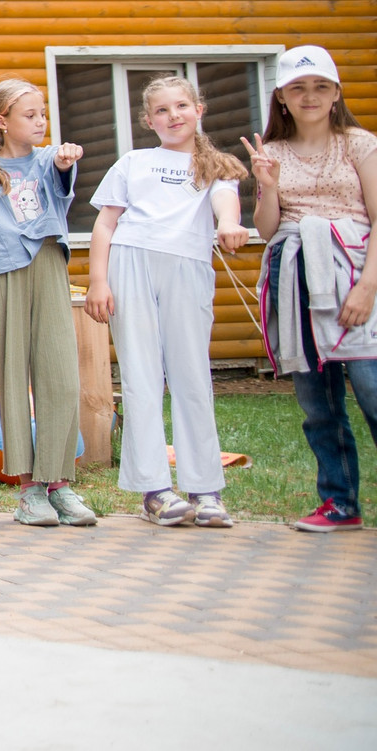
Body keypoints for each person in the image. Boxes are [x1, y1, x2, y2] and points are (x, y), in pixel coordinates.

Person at [86, 76, 249, 528]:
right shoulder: (134, 162)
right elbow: (105, 225)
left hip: (188, 268)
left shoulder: (217, 166)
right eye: (162, 110)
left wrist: (231, 225)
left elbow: (224, 202)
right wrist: (98, 281)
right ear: (147, 119)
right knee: (140, 376)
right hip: (131, 264)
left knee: (191, 376)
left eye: (181, 106)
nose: (173, 115)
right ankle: (155, 490)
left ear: (200, 110)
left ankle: (206, 489)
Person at [242, 46, 377, 532]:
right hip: (295, 278)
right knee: (318, 404)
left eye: (320, 86)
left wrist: (366, 288)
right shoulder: (271, 152)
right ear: (282, 97)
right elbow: (266, 227)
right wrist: (268, 185)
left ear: (336, 93)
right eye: (298, 87)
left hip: (355, 272)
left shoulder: (360, 145)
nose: (310, 96)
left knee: (372, 389)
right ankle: (340, 504)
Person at [0, 78, 91, 528]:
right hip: (1, 275)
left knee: (61, 377)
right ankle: (30, 490)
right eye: (29, 115)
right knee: (12, 379)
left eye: (43, 114)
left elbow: (64, 176)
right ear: (2, 121)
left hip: (49, 266)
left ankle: (59, 484)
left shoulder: (50, 159)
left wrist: (68, 159)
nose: (40, 122)